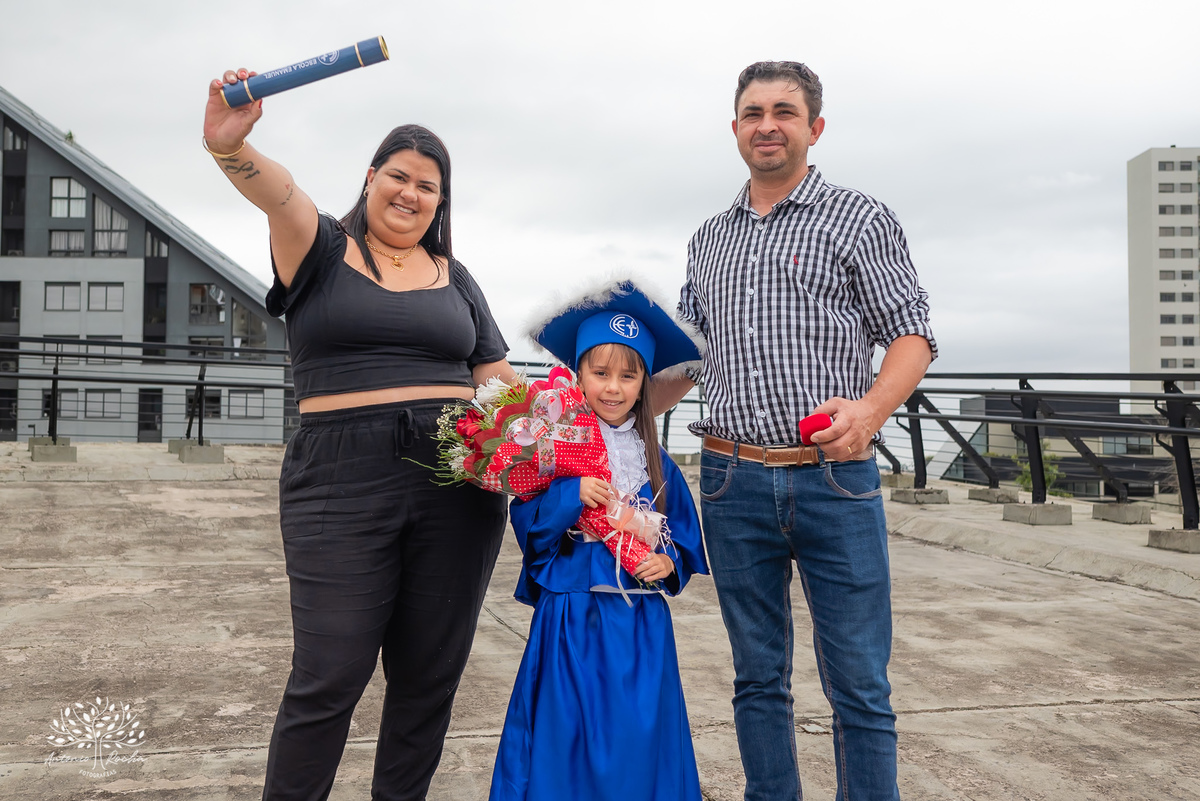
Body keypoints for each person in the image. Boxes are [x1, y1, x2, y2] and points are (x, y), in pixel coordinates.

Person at [202, 69, 517, 801]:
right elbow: (278, 192)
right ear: (370, 178)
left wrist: (545, 438)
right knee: (329, 675)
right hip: (340, 481)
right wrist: (229, 147)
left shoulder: (456, 277)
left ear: (441, 202)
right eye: (398, 176)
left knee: (428, 678)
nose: (411, 193)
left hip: (458, 486)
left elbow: (499, 382)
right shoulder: (318, 246)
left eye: (428, 186)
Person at [655, 62, 937, 801]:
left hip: (832, 479)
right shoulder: (709, 238)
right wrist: (611, 404)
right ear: (736, 129)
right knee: (756, 677)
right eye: (753, 113)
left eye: (784, 111)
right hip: (730, 482)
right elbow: (689, 358)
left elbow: (912, 335)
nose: (768, 125)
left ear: (815, 127)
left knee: (859, 683)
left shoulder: (859, 218)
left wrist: (870, 412)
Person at [489, 282, 710, 801]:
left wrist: (667, 562)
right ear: (578, 375)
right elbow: (530, 527)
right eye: (600, 373)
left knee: (640, 737)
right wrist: (571, 494)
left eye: (628, 376)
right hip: (572, 616)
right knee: (566, 732)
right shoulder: (555, 448)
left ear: (644, 383)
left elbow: (682, 537)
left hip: (640, 623)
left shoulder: (657, 462)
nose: (613, 388)